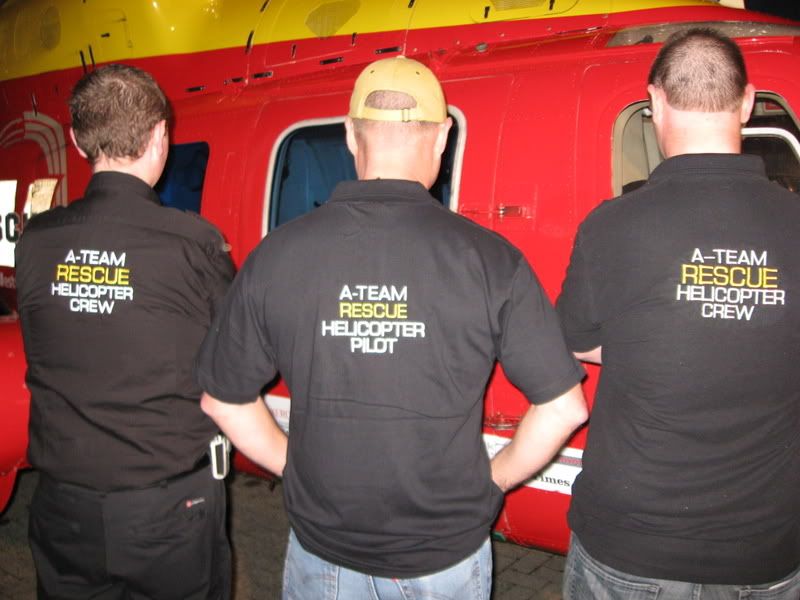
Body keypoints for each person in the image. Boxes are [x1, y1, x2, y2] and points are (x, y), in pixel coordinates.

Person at [196, 55, 587, 599]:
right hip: (442, 558)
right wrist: (493, 479)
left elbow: (223, 401)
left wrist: (295, 467)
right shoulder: (490, 259)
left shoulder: (277, 254)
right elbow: (565, 408)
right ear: (443, 136)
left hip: (321, 553)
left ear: (351, 135)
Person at [557, 28, 800, 598]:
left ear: (655, 101)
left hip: (632, 543)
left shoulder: (612, 224)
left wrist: (667, 338)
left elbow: (575, 338)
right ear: (747, 102)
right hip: (766, 546)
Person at [15, 64, 234, 600]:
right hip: (169, 510)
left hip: (62, 508)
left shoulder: (36, 241)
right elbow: (233, 361)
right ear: (160, 136)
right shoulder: (194, 244)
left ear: (76, 140)